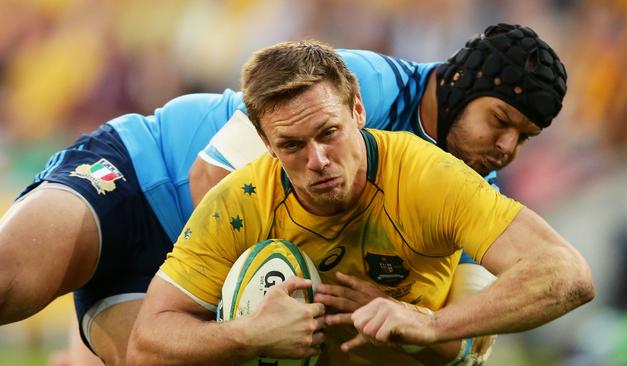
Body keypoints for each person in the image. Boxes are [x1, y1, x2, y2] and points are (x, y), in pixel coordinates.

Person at [0, 23, 566, 365]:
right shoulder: (361, 83)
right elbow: (209, 177)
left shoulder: (466, 187)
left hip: (191, 278)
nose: (508, 147)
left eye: (525, 137)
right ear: (460, 84)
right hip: (142, 175)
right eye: (500, 120)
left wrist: (412, 317)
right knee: (12, 280)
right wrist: (250, 302)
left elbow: (469, 342)